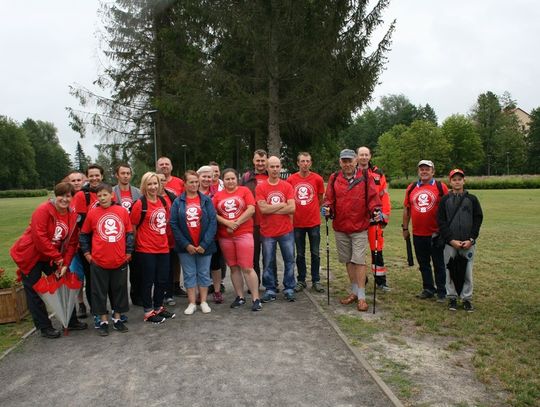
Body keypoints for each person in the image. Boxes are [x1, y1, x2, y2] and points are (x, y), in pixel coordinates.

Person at [10, 182, 88, 338]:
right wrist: (58, 258)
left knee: (64, 283)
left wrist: (65, 263)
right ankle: (44, 327)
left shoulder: (72, 215)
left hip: (52, 256)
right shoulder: (43, 210)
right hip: (31, 255)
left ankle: (70, 320)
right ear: (55, 195)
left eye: (68, 196)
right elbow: (40, 238)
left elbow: (72, 243)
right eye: (61, 195)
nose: (64, 199)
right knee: (34, 291)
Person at [322, 149, 382, 312]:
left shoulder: (364, 177)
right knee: (348, 260)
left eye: (350, 160)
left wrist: (376, 210)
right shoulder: (334, 178)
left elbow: (372, 198)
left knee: (359, 260)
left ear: (355, 161)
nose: (347, 164)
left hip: (359, 226)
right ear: (340, 162)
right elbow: (329, 199)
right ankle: (354, 292)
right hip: (341, 227)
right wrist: (327, 208)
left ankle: (362, 297)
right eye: (344, 161)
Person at [79, 183, 134, 336]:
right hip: (99, 261)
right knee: (99, 292)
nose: (102, 198)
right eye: (99, 195)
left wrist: (128, 253)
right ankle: (103, 321)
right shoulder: (92, 213)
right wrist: (88, 255)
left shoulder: (122, 211)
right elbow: (83, 235)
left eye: (105, 195)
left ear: (112, 195)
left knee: (120, 290)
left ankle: (117, 319)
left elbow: (129, 233)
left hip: (119, 260)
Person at [213, 168, 261, 311]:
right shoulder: (218, 195)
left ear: (237, 179)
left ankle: (255, 298)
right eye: (227, 179)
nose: (230, 181)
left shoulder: (244, 191)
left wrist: (236, 223)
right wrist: (228, 223)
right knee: (233, 267)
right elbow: (213, 214)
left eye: (232, 178)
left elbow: (251, 209)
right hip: (225, 236)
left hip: (243, 233)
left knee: (247, 267)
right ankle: (239, 296)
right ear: (223, 180)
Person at [170, 171, 217, 315]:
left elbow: (213, 222)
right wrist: (186, 245)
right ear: (184, 183)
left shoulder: (206, 200)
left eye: (196, 182)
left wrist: (204, 244)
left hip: (204, 245)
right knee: (189, 274)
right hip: (186, 247)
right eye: (191, 182)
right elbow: (174, 224)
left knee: (203, 273)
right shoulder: (178, 202)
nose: (195, 184)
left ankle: (203, 301)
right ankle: (191, 303)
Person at [130, 172, 175, 323]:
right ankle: (148, 311)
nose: (153, 187)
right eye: (149, 184)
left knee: (162, 280)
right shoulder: (139, 204)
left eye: (155, 183)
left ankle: (158, 307)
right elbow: (133, 226)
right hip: (146, 249)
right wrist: (136, 246)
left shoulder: (162, 201)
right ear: (144, 186)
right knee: (148, 281)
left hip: (163, 247)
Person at [402, 160, 449, 302]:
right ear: (418, 171)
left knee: (439, 264)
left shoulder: (441, 187)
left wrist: (445, 231)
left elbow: (448, 209)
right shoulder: (411, 188)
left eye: (427, 169)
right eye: (421, 169)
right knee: (423, 264)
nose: (424, 171)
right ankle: (428, 288)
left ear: (433, 171)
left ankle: (442, 291)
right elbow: (407, 209)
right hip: (418, 233)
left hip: (436, 233)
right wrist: (405, 228)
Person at [437, 169, 483, 312]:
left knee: (467, 271)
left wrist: (471, 239)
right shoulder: (445, 199)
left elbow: (478, 219)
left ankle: (466, 299)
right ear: (450, 182)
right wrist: (450, 240)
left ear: (464, 180)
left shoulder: (472, 199)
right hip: (451, 243)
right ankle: (452, 297)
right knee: (450, 270)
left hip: (467, 243)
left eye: (459, 179)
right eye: (454, 179)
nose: (457, 182)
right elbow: (441, 221)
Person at [256, 156, 297, 302]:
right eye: (271, 166)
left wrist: (271, 208)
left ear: (280, 167)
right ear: (267, 168)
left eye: (277, 166)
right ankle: (270, 288)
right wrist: (282, 205)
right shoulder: (261, 187)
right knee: (268, 261)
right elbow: (263, 210)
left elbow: (292, 208)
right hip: (268, 232)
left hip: (286, 230)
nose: (274, 169)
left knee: (289, 260)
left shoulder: (287, 186)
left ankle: (289, 287)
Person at [286, 152, 325, 293]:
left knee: (315, 253)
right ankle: (301, 280)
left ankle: (316, 280)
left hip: (313, 222)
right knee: (300, 253)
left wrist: (313, 209)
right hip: (297, 223)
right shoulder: (291, 180)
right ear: (298, 163)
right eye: (302, 161)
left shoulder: (318, 179)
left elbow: (320, 198)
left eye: (307, 161)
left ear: (311, 163)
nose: (305, 164)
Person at [357, 146, 392, 291]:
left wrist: (384, 217)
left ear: (370, 156)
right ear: (357, 156)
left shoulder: (378, 173)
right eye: (361, 155)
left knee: (377, 250)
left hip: (374, 220)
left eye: (366, 154)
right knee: (358, 252)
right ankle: (361, 280)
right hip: (357, 221)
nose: (364, 157)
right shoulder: (352, 172)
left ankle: (380, 281)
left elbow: (384, 196)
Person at [240, 149, 271, 286]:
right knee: (253, 257)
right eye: (258, 160)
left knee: (269, 257)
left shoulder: (272, 176)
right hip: (251, 224)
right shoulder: (246, 178)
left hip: (269, 223)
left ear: (267, 161)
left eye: (263, 161)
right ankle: (255, 285)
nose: (260, 163)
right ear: (253, 161)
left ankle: (270, 284)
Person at [157, 156, 186, 297]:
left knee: (176, 259)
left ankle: (175, 285)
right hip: (158, 231)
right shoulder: (153, 181)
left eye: (167, 164)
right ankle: (163, 288)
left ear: (171, 166)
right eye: (161, 164)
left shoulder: (179, 182)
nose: (164, 166)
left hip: (175, 229)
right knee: (162, 262)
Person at [198, 165, 224, 303]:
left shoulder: (217, 193)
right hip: (196, 235)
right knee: (199, 265)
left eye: (209, 176)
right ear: (198, 177)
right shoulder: (192, 192)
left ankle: (217, 290)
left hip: (214, 234)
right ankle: (199, 291)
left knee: (215, 264)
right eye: (204, 176)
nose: (207, 179)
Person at [63, 170, 88, 318]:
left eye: (79, 180)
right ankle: (80, 303)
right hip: (73, 246)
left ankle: (95, 303)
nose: (77, 183)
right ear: (69, 183)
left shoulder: (87, 196)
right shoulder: (66, 200)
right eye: (74, 181)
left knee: (92, 277)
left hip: (88, 244)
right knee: (76, 276)